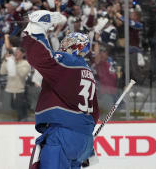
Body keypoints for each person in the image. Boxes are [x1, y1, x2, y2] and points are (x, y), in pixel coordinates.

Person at [22, 10, 99, 169]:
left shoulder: (68, 62)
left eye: (66, 43)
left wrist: (36, 29)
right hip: (83, 141)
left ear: (75, 47)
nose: (62, 46)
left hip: (63, 135)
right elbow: (94, 112)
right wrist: (84, 138)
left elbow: (41, 58)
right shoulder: (88, 73)